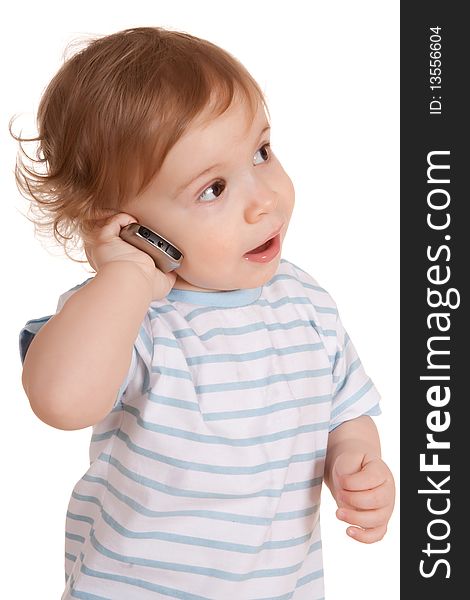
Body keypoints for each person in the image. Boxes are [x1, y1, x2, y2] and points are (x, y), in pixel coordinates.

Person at [15, 27, 395, 599]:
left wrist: (357, 458)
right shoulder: (128, 317)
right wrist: (124, 275)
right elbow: (62, 400)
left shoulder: (306, 303)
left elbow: (344, 410)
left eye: (261, 152)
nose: (263, 199)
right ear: (125, 224)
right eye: (213, 188)